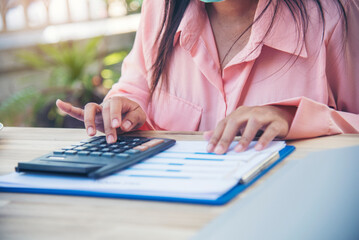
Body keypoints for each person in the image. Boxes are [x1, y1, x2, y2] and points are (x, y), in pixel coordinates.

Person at [57, 0, 359, 154]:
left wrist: (292, 118)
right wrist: (123, 110)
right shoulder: (161, 9)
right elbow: (135, 87)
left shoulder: (336, 18)